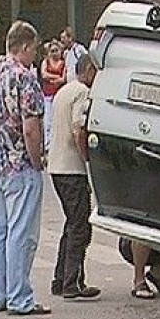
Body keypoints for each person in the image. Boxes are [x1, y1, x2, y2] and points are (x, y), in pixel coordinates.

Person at [0, 20, 50, 316]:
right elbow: (31, 128)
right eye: (34, 48)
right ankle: (20, 297)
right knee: (22, 232)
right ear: (23, 46)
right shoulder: (25, 78)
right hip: (19, 163)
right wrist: (37, 160)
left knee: (0, 230)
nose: (35, 54)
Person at [48, 53, 101, 300]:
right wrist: (87, 157)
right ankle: (72, 282)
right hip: (71, 168)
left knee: (71, 224)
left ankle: (61, 279)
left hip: (57, 166)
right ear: (89, 70)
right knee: (80, 226)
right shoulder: (82, 93)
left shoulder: (64, 91)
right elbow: (78, 128)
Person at [39, 40, 66, 151]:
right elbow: (44, 75)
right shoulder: (46, 62)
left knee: (59, 119)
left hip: (59, 95)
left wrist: (52, 78)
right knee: (48, 120)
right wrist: (56, 78)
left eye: (56, 50)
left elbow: (64, 78)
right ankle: (48, 145)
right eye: (52, 51)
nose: (54, 53)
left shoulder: (63, 63)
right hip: (48, 95)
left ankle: (59, 143)